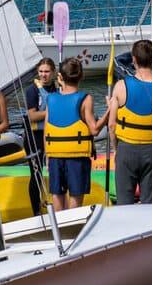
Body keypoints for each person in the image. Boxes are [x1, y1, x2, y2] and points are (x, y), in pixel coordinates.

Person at [110, 40, 152, 204]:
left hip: (126, 149)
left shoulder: (120, 86)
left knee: (124, 204)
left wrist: (116, 149)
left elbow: (112, 125)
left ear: (133, 59)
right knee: (149, 205)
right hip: (151, 152)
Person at [46, 58, 109, 210]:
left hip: (55, 156)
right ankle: (74, 230)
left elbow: (47, 131)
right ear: (81, 77)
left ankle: (60, 231)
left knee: (57, 199)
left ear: (60, 77)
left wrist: (47, 157)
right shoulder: (86, 99)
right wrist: (109, 111)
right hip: (77, 158)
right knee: (75, 203)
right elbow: (94, 129)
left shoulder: (51, 99)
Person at [23, 58, 58, 213]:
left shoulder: (57, 88)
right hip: (34, 138)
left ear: (53, 73)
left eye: (47, 71)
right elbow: (32, 116)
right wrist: (51, 112)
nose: (44, 75)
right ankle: (35, 210)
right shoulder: (32, 90)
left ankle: (57, 206)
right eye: (41, 72)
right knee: (36, 174)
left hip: (52, 136)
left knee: (55, 171)